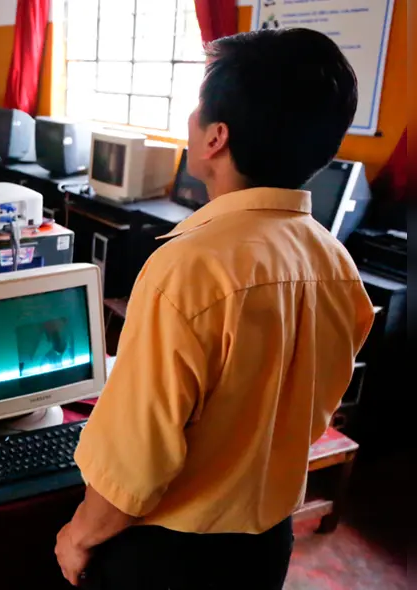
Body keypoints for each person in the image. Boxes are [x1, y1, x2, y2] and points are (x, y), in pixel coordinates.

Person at [53, 28, 375, 589]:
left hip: (169, 557)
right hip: (267, 547)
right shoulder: (335, 262)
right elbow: (313, 412)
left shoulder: (187, 268)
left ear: (215, 138)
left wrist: (78, 535)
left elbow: (135, 461)